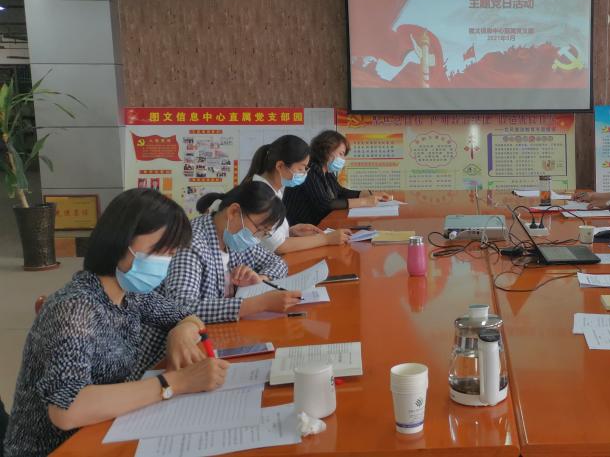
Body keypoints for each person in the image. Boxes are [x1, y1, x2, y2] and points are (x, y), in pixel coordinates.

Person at [3, 189, 229, 456]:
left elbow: (186, 315)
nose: (165, 263)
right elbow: (66, 409)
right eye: (160, 251)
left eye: (171, 255)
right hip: (55, 449)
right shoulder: (75, 308)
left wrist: (180, 332)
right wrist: (175, 383)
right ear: (122, 240)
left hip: (103, 431)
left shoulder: (131, 295)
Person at [156, 181, 301, 323]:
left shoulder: (236, 236)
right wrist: (260, 303)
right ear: (233, 212)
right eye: (259, 229)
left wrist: (261, 279)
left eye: (264, 233)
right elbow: (181, 308)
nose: (257, 237)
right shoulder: (191, 243)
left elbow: (277, 263)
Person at [241, 134, 351, 253]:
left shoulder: (272, 191)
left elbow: (268, 238)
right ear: (280, 166)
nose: (304, 173)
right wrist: (326, 239)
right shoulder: (259, 196)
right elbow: (280, 246)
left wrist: (291, 231)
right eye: (300, 169)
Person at [283, 130, 393, 226]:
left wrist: (369, 194)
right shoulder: (310, 169)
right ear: (327, 150)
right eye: (341, 154)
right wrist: (364, 202)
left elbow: (340, 192)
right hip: (299, 230)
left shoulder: (327, 171)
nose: (343, 159)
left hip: (317, 225)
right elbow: (325, 205)